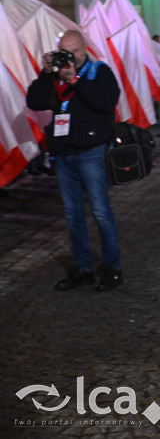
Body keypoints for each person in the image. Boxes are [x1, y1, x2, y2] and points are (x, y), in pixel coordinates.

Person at [26, 29, 123, 292]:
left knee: (101, 212)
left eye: (75, 51)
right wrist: (46, 73)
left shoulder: (99, 71)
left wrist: (76, 81)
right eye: (65, 51)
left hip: (92, 152)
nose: (70, 56)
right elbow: (34, 102)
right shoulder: (55, 76)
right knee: (73, 215)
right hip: (64, 154)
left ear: (84, 49)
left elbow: (106, 103)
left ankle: (112, 268)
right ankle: (83, 269)